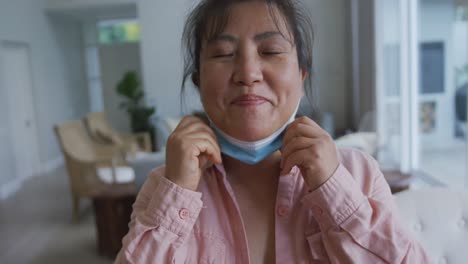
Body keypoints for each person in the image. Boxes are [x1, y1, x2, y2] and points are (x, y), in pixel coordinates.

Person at [115, 0, 430, 263]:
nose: (248, 73)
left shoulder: (358, 174)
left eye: (270, 51)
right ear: (199, 82)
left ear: (301, 78)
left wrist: (335, 192)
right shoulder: (165, 185)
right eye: (224, 53)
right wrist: (177, 193)